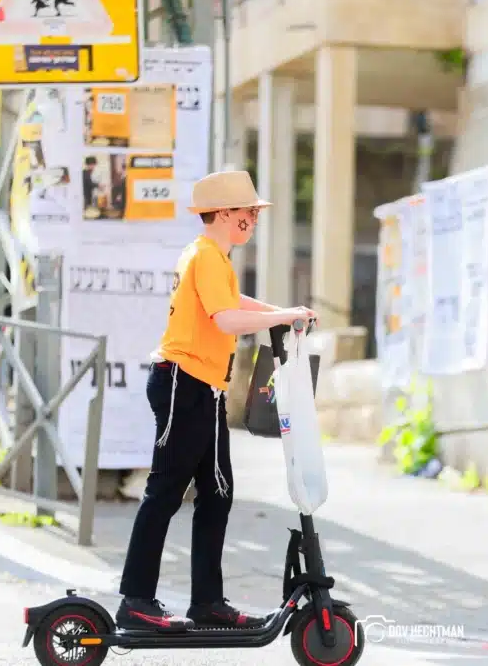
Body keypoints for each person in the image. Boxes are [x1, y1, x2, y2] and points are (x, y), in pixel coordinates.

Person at [116, 170, 317, 631]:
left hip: (203, 389)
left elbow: (233, 301)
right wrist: (284, 315)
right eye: (248, 212)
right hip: (181, 384)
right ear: (225, 213)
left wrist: (283, 314)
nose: (254, 219)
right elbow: (226, 319)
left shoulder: (214, 258)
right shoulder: (206, 255)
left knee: (218, 493)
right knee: (165, 493)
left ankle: (207, 602)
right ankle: (136, 600)